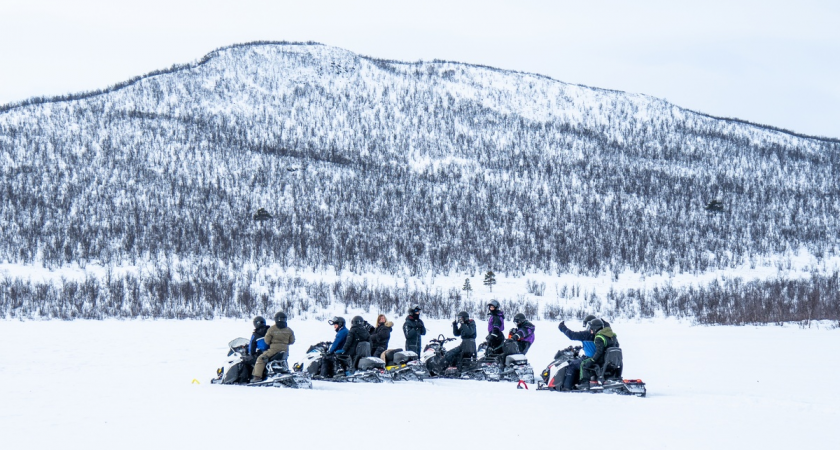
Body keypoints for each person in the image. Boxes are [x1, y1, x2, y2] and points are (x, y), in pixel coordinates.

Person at [556, 315, 613, 390]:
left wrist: (562, 327)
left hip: (591, 358)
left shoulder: (586, 334)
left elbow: (572, 335)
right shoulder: (604, 334)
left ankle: (567, 386)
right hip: (601, 359)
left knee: (572, 365)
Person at [251, 312, 295, 382]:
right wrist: (284, 343)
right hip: (285, 349)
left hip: (274, 349)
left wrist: (273, 343)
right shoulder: (289, 330)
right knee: (283, 360)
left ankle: (257, 377)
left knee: (260, 359)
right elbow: (292, 341)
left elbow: (267, 340)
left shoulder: (272, 329)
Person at [578, 318, 619, 389]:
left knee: (584, 363)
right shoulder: (612, 335)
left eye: (591, 329)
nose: (591, 331)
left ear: (595, 329)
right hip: (613, 361)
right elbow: (617, 346)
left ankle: (585, 383)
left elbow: (599, 351)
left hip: (603, 360)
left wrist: (592, 360)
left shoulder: (598, 337)